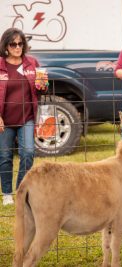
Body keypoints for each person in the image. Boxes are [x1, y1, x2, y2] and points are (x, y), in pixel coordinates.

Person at [0, 28, 47, 206]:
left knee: (28, 152)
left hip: (26, 117)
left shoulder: (32, 62)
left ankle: (21, 191)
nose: (17, 47)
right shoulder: (0, 64)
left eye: (20, 43)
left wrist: (43, 86)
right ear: (6, 46)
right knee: (4, 156)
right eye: (13, 44)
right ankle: (6, 193)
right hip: (4, 120)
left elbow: (40, 90)